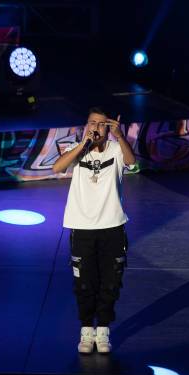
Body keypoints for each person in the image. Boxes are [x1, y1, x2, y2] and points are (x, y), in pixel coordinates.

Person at [52, 107, 136, 354]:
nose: (96, 127)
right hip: (83, 227)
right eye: (92, 123)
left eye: (101, 123)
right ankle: (87, 329)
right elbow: (58, 168)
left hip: (112, 226)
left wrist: (120, 136)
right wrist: (83, 145)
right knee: (84, 283)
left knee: (110, 282)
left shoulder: (116, 150)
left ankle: (103, 331)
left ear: (109, 126)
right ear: (85, 126)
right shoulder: (75, 151)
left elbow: (131, 162)